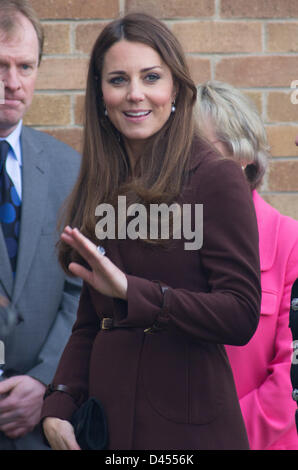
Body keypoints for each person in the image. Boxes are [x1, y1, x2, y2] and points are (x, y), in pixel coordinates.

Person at [41, 13, 261, 451]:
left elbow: (240, 313)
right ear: (100, 94)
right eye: (119, 79)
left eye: (151, 77)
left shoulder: (214, 178)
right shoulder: (102, 181)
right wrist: (59, 403)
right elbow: (91, 318)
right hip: (106, 427)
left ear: (175, 88)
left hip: (187, 431)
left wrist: (133, 291)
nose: (135, 94)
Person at [196, 80, 298, 450]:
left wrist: (215, 438)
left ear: (244, 158)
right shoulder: (170, 241)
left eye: (202, 152)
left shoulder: (290, 243)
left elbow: (290, 383)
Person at [0, 0, 81, 450]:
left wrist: (44, 379)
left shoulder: (71, 170)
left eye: (25, 66)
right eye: (0, 66)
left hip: (39, 426)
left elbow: (81, 290)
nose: (13, 84)